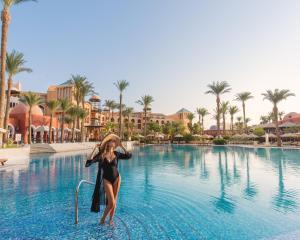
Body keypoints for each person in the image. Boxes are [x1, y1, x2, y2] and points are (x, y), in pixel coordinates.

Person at [85, 134, 132, 225]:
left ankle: (111, 220)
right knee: (112, 202)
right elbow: (88, 163)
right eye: (111, 141)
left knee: (115, 200)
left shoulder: (117, 154)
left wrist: (122, 146)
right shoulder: (102, 155)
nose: (113, 142)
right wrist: (94, 148)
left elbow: (129, 156)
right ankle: (103, 219)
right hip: (106, 179)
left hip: (117, 178)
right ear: (107, 143)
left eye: (114, 141)